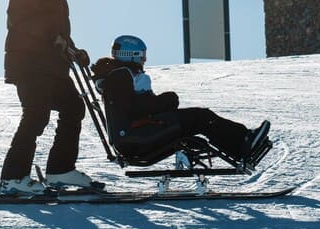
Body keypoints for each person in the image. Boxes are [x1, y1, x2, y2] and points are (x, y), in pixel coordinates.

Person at [0, 0, 92, 196]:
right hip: (29, 61)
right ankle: (13, 178)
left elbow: (55, 28)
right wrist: (54, 37)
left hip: (50, 64)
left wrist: (73, 49)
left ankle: (60, 170)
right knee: (36, 115)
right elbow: (18, 17)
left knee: (73, 107)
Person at [91, 35, 270, 165]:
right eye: (142, 56)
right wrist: (166, 101)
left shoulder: (120, 75)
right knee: (200, 117)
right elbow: (134, 108)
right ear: (130, 54)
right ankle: (244, 142)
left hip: (139, 133)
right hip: (135, 137)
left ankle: (242, 144)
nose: (144, 60)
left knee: (198, 118)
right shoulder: (120, 76)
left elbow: (135, 106)